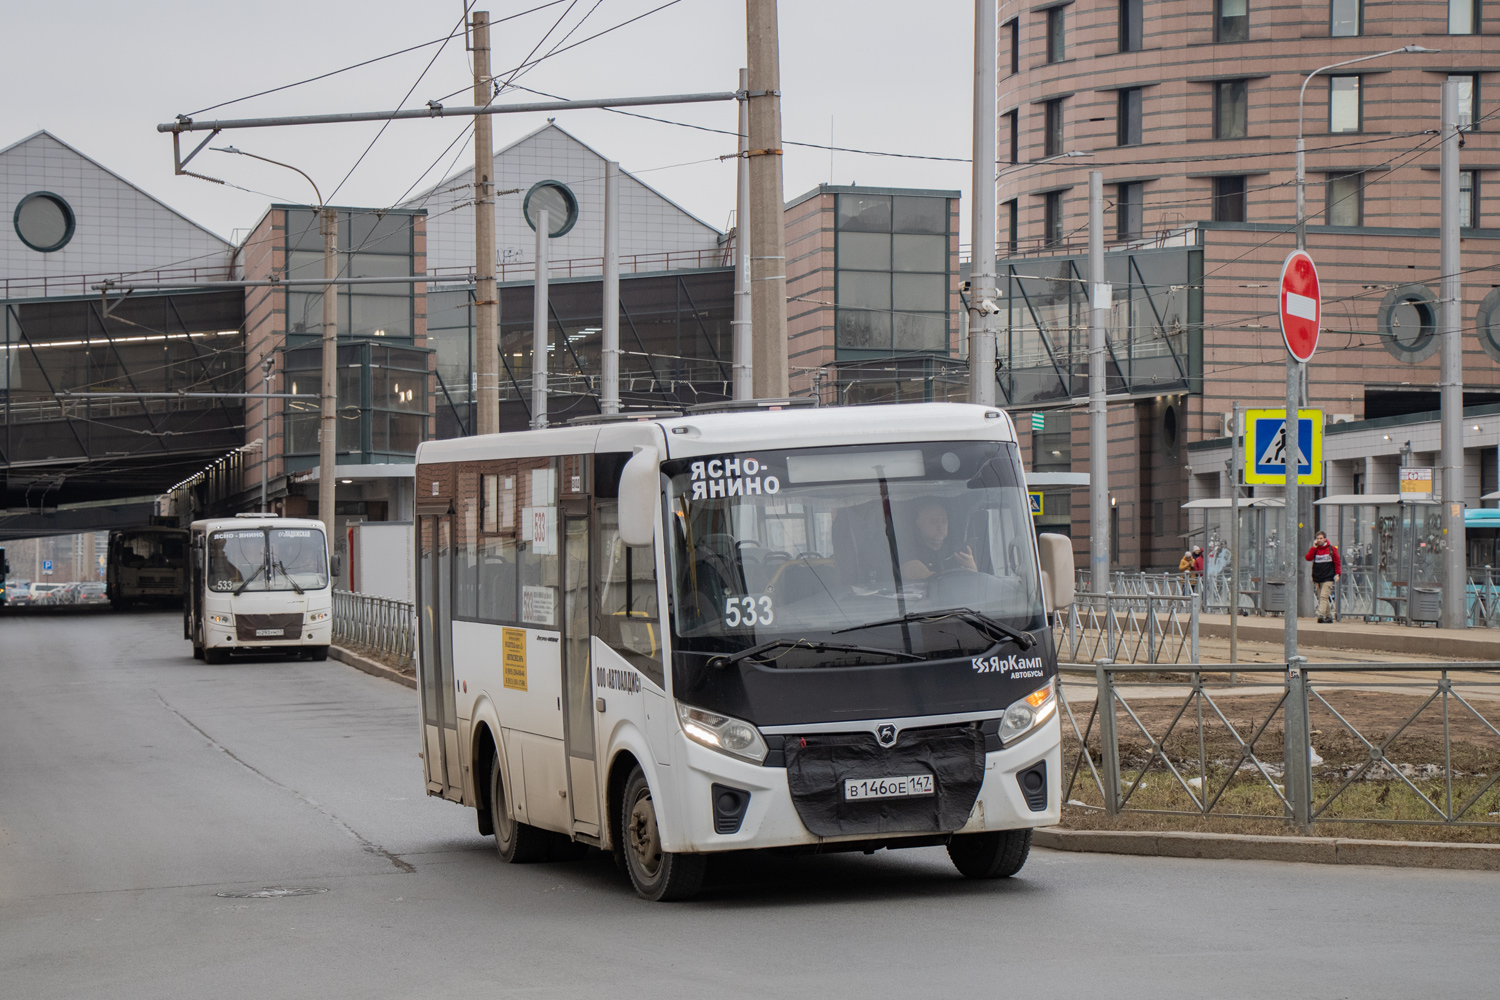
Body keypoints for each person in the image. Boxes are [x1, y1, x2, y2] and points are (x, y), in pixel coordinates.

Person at [900, 501, 976, 581]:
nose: (940, 527)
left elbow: (975, 584)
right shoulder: (909, 552)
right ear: (920, 524)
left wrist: (971, 566)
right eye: (934, 521)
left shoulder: (957, 551)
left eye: (944, 521)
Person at [1306, 529, 1341, 622]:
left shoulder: (1331, 549)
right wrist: (1313, 548)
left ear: (1325, 539)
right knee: (1321, 597)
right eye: (1317, 538)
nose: (1319, 540)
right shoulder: (1315, 549)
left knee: (1323, 597)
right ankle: (1329, 616)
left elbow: (1337, 562)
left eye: (1321, 538)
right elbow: (1308, 558)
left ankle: (1320, 615)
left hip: (1328, 577)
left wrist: (1338, 574)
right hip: (1317, 577)